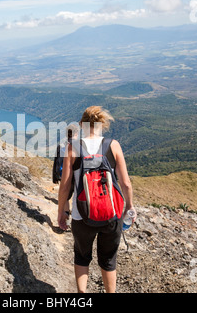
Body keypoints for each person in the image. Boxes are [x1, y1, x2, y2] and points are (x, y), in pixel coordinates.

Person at [57, 106, 136, 293]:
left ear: (82, 125)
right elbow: (125, 183)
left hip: (81, 214)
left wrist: (62, 210)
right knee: (108, 259)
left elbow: (65, 186)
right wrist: (129, 207)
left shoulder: (73, 147)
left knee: (82, 256)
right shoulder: (113, 145)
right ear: (102, 124)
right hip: (111, 213)